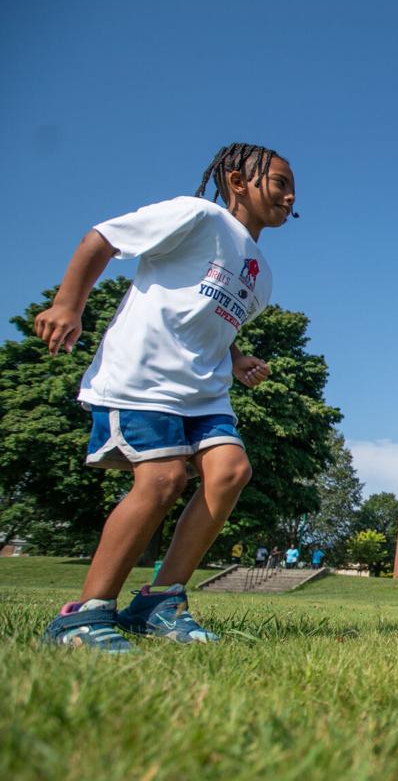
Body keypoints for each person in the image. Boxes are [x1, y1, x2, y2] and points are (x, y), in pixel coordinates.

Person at [36, 143, 295, 653]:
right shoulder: (197, 215)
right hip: (144, 378)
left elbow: (213, 316)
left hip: (202, 392)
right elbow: (103, 238)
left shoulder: (261, 272)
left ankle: (159, 601)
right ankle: (83, 616)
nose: (289, 196)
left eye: (292, 188)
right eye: (279, 182)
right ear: (238, 182)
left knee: (231, 472)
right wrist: (69, 304)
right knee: (164, 478)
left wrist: (238, 357)